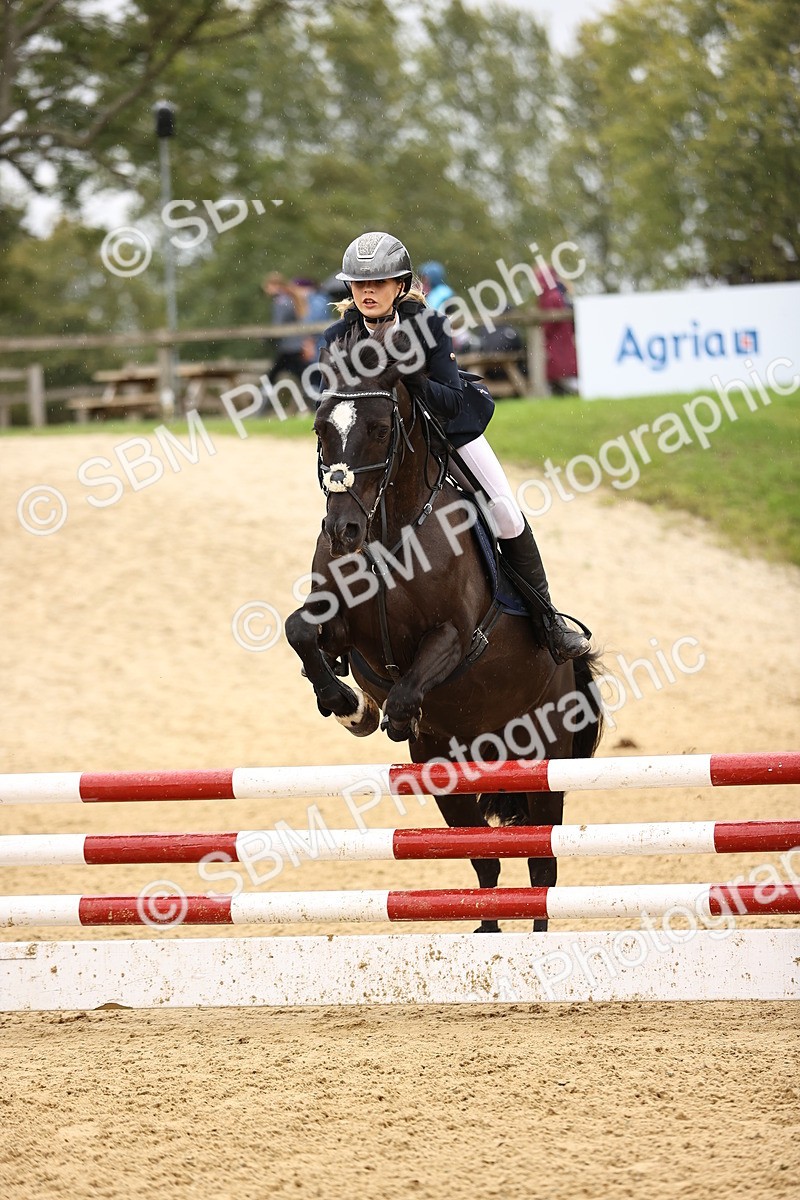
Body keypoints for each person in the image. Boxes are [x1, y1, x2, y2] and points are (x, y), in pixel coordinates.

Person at [320, 231, 590, 664]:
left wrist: (413, 379)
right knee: (341, 510)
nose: (367, 292)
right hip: (376, 449)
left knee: (505, 510)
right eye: (359, 284)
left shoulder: (430, 327)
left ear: (400, 285)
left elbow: (451, 401)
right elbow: (332, 405)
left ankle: (548, 621)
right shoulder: (338, 337)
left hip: (445, 433)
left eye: (378, 283)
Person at [261, 272, 309, 401]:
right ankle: (312, 396)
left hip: (289, 345)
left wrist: (267, 337)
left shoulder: (281, 301)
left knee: (275, 373)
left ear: (274, 285)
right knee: (301, 374)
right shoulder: (288, 298)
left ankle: (263, 399)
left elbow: (278, 324)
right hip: (294, 344)